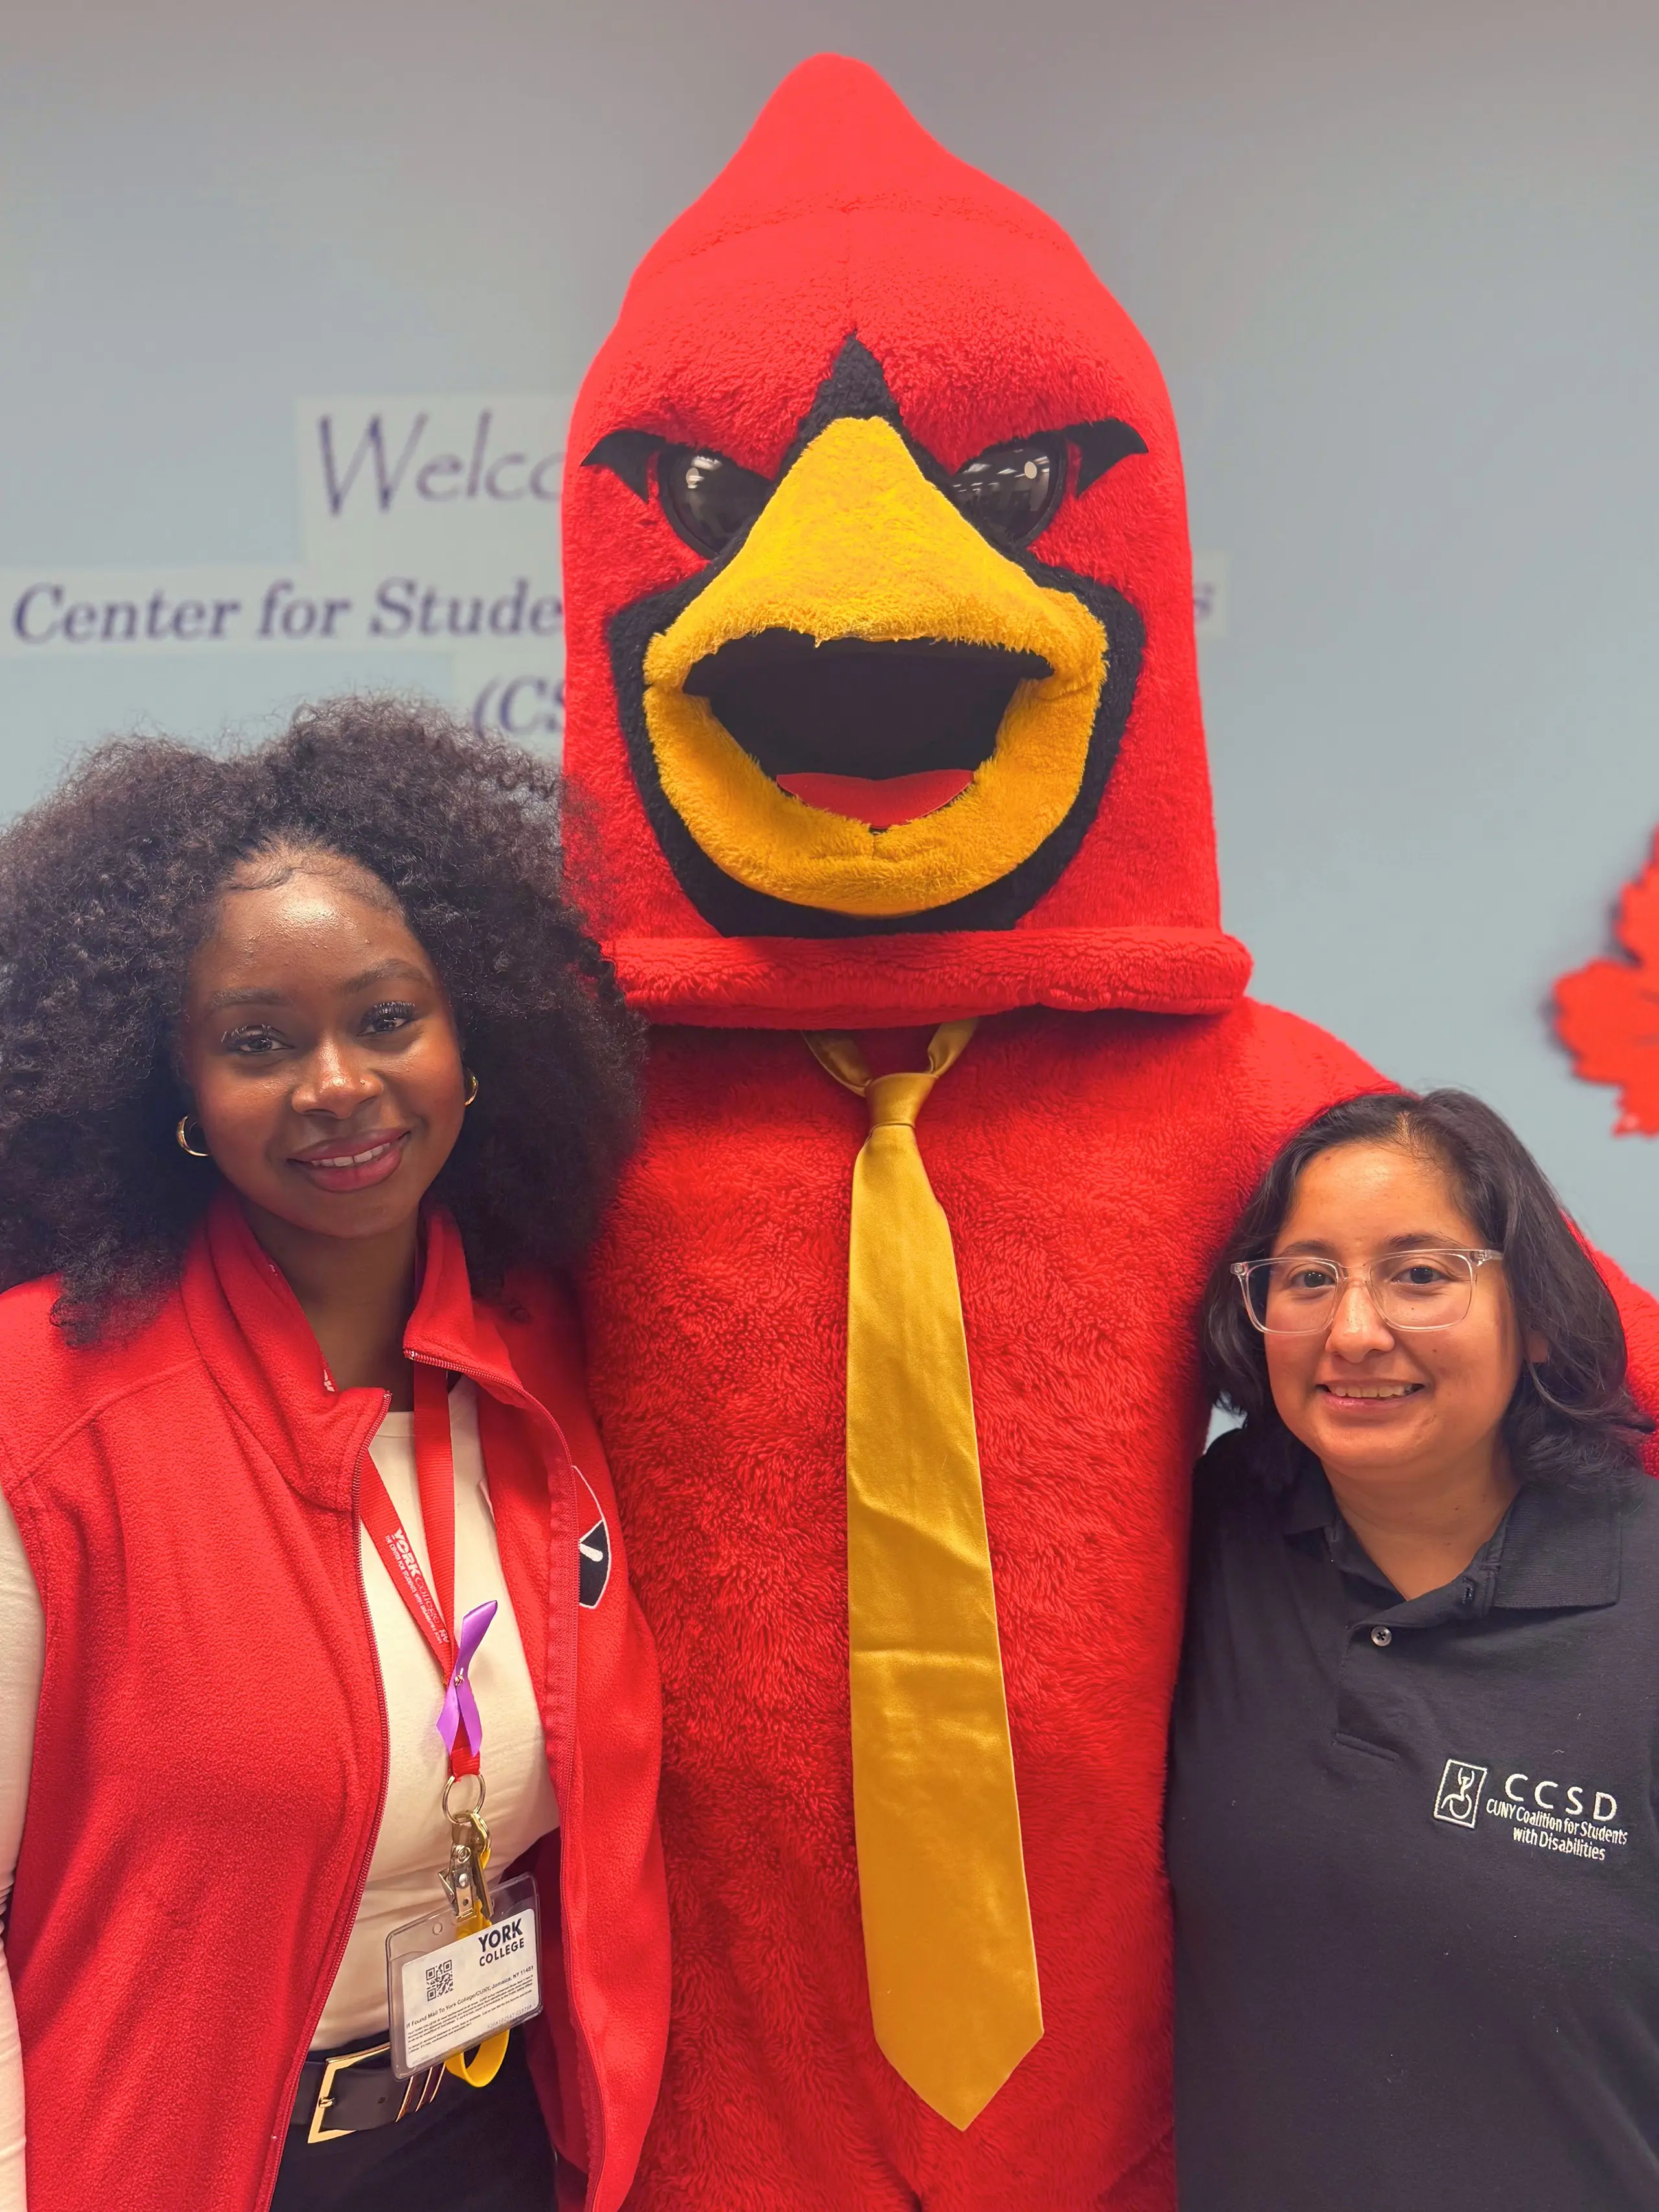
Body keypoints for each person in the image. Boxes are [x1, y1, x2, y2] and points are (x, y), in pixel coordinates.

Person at [0, 699, 669, 2212]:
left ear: (476, 1043)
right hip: (183, 2162)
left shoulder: (544, 1360)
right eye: (258, 1041)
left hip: (492, 2135)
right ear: (174, 1088)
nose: (335, 1084)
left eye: (385, 1019)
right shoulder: (40, 1401)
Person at [1168, 1088, 1659, 2211]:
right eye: (1308, 1278)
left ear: (1537, 1313)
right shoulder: (1203, 1546)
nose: (1354, 1332)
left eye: (1421, 1274)